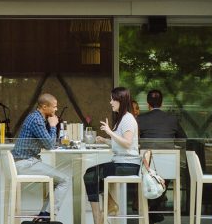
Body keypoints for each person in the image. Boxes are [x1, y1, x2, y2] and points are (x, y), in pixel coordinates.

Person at [11, 93, 71, 222]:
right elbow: (49, 144)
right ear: (44, 106)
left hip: (26, 162)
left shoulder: (36, 118)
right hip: (25, 164)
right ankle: (46, 216)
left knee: (59, 180)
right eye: (54, 107)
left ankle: (44, 215)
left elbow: (46, 142)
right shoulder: (37, 120)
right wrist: (54, 125)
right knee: (64, 180)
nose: (56, 110)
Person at [84, 87, 140, 224]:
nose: (110, 102)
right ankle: (109, 205)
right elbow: (119, 143)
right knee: (91, 174)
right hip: (121, 163)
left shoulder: (128, 119)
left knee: (90, 175)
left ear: (120, 100)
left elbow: (127, 143)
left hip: (128, 165)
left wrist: (109, 132)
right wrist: (106, 140)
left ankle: (99, 216)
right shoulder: (122, 119)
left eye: (112, 99)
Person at [136, 89, 187, 223]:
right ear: (162, 103)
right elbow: (183, 139)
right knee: (163, 176)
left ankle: (150, 209)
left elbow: (134, 142)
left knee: (150, 176)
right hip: (168, 168)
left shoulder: (140, 119)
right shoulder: (172, 119)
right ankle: (153, 209)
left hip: (147, 168)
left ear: (148, 104)